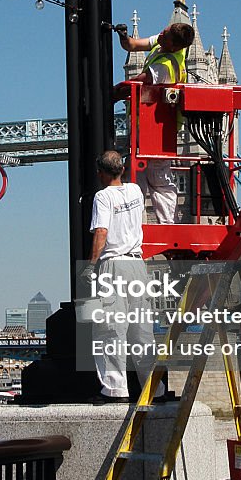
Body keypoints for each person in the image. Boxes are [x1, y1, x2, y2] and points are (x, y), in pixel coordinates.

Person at [87, 150, 165, 404]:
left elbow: (101, 231)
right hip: (137, 266)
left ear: (101, 172)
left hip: (114, 264)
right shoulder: (134, 191)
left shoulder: (102, 196)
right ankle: (155, 390)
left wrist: (89, 267)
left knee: (111, 330)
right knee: (142, 331)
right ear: (121, 170)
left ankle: (115, 389)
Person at [118, 23, 195, 223]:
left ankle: (167, 226)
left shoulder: (168, 65)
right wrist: (123, 36)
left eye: (166, 36)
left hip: (160, 131)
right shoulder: (163, 41)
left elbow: (138, 82)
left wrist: (110, 94)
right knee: (137, 177)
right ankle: (134, 222)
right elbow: (133, 45)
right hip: (141, 126)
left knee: (159, 180)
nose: (161, 34)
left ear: (175, 47)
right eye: (165, 30)